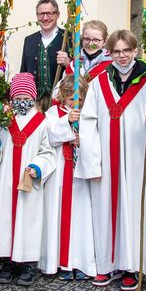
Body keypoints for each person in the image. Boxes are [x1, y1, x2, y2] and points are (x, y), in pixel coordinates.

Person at [75, 29, 146, 291]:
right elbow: (89, 123)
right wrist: (92, 162)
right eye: (116, 51)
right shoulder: (98, 83)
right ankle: (107, 264)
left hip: (136, 158)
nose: (122, 56)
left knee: (132, 209)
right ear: (109, 53)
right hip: (106, 159)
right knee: (105, 210)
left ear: (135, 51)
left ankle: (132, 266)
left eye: (126, 51)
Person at [0, 72, 56, 286]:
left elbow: (48, 152)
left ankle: (28, 263)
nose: (21, 101)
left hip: (28, 180)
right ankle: (7, 260)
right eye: (18, 97)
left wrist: (38, 167)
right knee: (5, 217)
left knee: (29, 220)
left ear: (33, 98)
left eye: (26, 97)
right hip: (6, 178)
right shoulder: (4, 118)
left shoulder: (41, 123)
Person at [40, 76, 96, 280]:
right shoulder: (53, 113)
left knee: (80, 217)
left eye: (79, 98)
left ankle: (80, 262)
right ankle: (58, 262)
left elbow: (97, 137)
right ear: (62, 95)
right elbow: (49, 135)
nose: (74, 102)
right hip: (59, 171)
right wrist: (67, 122)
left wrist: (84, 140)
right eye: (70, 97)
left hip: (79, 172)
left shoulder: (89, 114)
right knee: (57, 214)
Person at [20, 0, 67, 103]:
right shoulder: (29, 40)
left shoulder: (69, 38)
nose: (45, 18)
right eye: (41, 14)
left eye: (49, 13)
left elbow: (81, 71)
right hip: (35, 102)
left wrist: (69, 63)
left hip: (61, 101)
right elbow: (24, 71)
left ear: (57, 15)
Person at [56, 20, 112, 84]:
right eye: (87, 39)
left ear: (104, 42)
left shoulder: (110, 66)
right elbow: (61, 88)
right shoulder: (74, 64)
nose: (90, 44)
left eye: (96, 40)